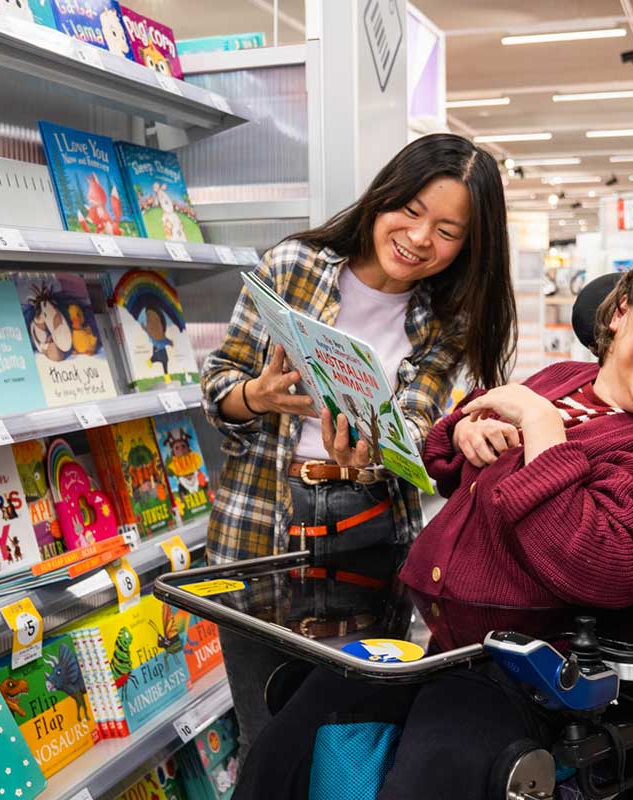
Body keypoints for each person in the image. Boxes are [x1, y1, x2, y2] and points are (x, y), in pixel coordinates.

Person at [231, 231, 633, 799]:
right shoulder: (560, 380)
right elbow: (444, 458)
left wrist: (539, 426)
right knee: (287, 743)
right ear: (621, 314)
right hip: (442, 645)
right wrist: (465, 430)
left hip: (533, 673)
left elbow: (601, 563)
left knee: (427, 778)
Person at [200, 133, 516, 750]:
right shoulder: (293, 266)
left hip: (369, 533)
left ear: (470, 245)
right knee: (265, 737)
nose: (421, 238)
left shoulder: (449, 317)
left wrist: (379, 457)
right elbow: (218, 385)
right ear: (383, 198)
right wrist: (256, 396)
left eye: (449, 231)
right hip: (259, 521)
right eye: (412, 210)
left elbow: (418, 424)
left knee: (354, 732)